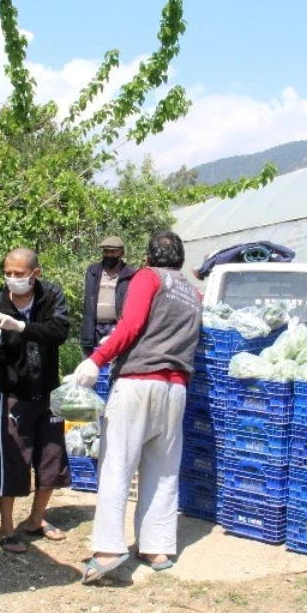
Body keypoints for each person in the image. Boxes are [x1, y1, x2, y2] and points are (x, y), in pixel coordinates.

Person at [72, 230, 202, 584]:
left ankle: (109, 550)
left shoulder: (148, 278)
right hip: (175, 389)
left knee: (117, 465)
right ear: (181, 259)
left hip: (138, 383)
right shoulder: (191, 292)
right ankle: (157, 548)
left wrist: (96, 359)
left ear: (147, 257)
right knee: (162, 470)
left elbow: (130, 325)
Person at [0, 249, 72, 554]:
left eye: (19, 273)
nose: (12, 279)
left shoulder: (51, 295)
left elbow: (59, 332)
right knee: (10, 460)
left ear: (35, 273)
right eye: (8, 272)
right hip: (13, 395)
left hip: (49, 392)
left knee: (51, 459)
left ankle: (37, 519)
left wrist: (21, 327)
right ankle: (7, 529)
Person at [81, 236, 136, 357]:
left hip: (115, 328)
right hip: (93, 329)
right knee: (90, 368)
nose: (109, 255)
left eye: (113, 252)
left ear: (122, 253)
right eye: (106, 251)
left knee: (113, 368)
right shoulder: (93, 271)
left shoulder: (130, 274)